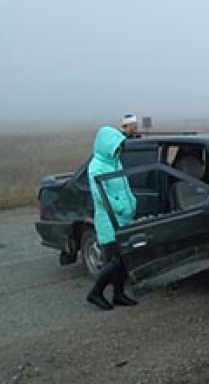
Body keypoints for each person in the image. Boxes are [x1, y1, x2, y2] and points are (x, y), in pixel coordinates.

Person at [86, 126, 138, 310]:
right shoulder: (96, 167)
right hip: (109, 220)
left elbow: (125, 185)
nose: (119, 149)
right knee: (115, 260)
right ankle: (95, 293)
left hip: (124, 217)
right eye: (116, 146)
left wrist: (132, 201)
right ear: (106, 145)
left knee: (124, 260)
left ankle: (118, 294)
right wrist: (121, 207)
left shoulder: (116, 162)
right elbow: (101, 195)